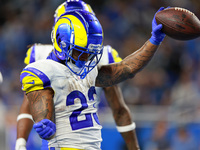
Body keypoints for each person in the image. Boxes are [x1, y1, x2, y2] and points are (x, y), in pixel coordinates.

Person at [19, 4, 166, 150]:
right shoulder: (42, 69)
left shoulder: (90, 69)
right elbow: (39, 105)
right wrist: (43, 122)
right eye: (80, 51)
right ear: (61, 42)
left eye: (90, 53)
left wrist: (154, 40)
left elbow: (127, 68)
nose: (86, 58)